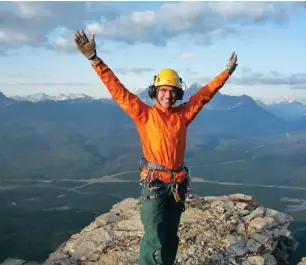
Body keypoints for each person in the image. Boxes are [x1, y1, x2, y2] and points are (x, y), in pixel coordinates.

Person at [74, 29, 238, 265]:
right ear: (155, 91)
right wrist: (94, 59)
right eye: (163, 90)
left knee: (171, 237)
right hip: (155, 184)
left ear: (177, 93)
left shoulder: (183, 115)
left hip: (177, 185)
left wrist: (226, 73)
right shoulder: (144, 114)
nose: (168, 96)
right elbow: (118, 91)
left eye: (172, 92)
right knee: (153, 238)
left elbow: (205, 94)